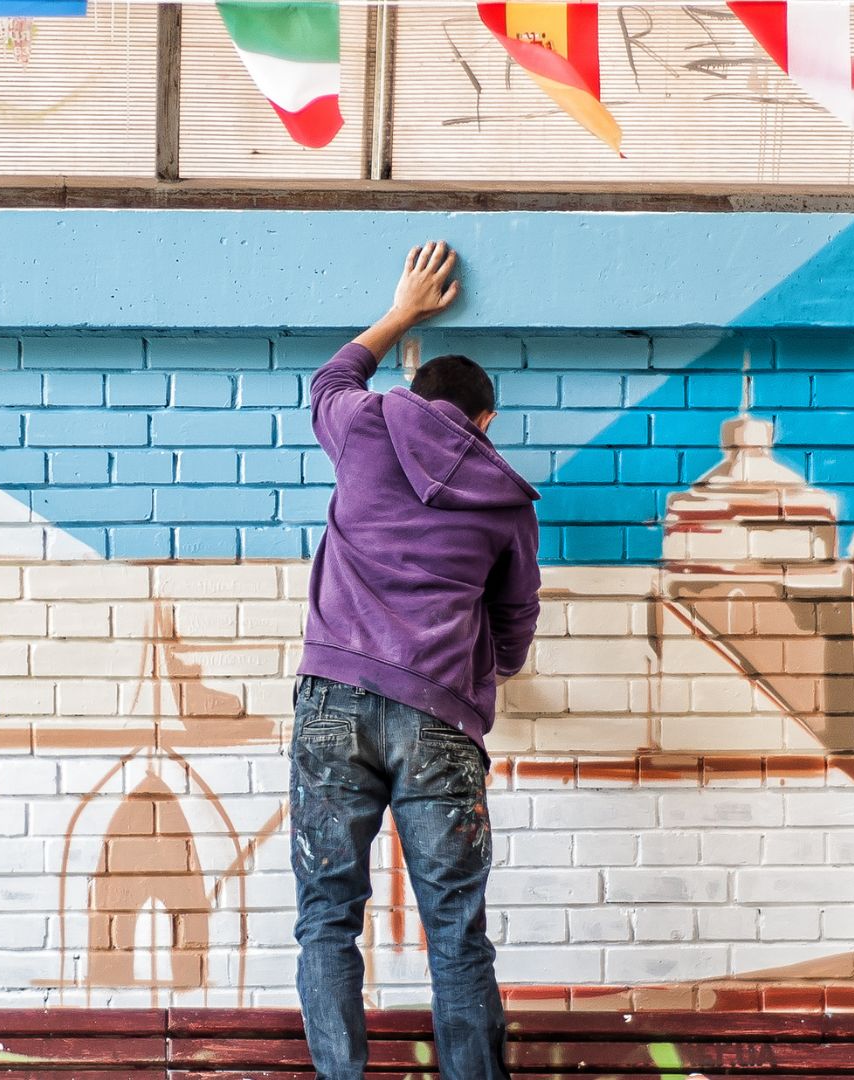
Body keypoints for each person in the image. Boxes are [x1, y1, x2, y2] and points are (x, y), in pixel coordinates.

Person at [290, 240, 542, 1080]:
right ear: (486, 422)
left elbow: (328, 381)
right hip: (442, 719)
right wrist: (490, 669)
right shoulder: (505, 498)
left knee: (329, 918)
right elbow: (514, 622)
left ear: (414, 395)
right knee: (455, 931)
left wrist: (402, 309)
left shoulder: (366, 425)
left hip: (333, 703)